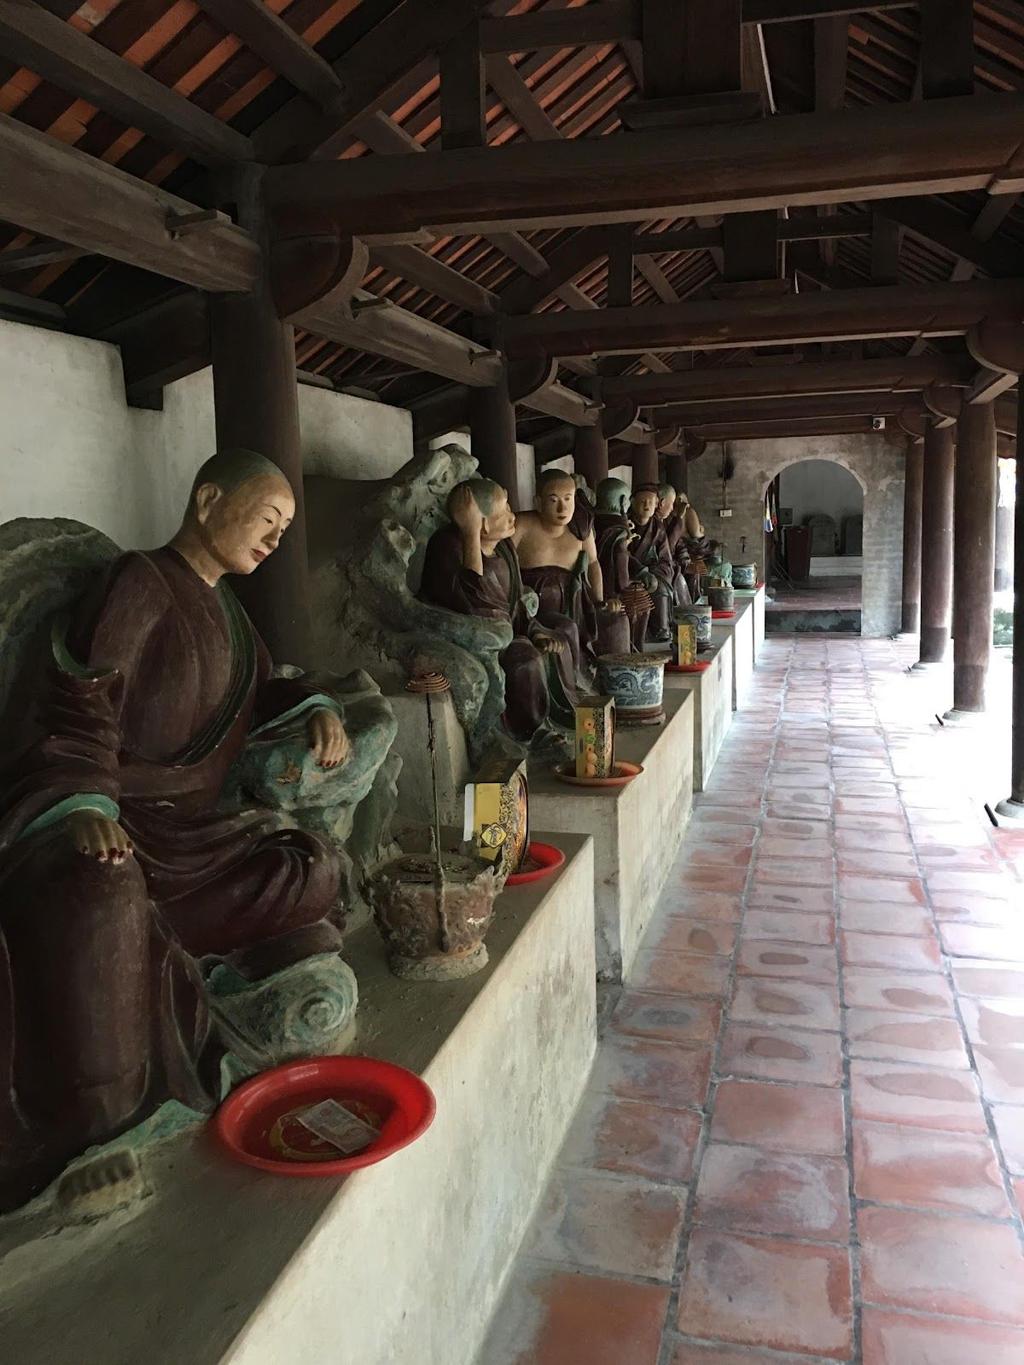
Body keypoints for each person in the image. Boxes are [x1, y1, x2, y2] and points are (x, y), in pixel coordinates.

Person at [0, 449, 350, 1212]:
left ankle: (220, 965)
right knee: (105, 893)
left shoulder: (229, 611)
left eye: (285, 529)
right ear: (208, 498)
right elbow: (81, 699)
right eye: (267, 518)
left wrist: (314, 704)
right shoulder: (140, 582)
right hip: (114, 820)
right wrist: (87, 802)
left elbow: (264, 693)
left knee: (313, 861)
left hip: (198, 840)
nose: (275, 540)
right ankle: (99, 1127)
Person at [418, 477, 579, 740]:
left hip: (507, 630)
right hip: (476, 638)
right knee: (526, 661)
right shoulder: (448, 546)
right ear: (478, 522)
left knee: (559, 638)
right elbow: (473, 605)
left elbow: (514, 604)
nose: (511, 516)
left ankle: (562, 712)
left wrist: (535, 630)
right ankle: (531, 733)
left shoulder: (504, 547)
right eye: (502, 511)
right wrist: (470, 534)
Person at [512, 468, 603, 665]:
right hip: (530, 608)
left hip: (573, 603)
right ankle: (575, 686)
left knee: (614, 621)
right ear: (538, 502)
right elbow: (503, 562)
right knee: (566, 628)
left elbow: (593, 563)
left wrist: (599, 600)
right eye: (553, 501)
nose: (562, 509)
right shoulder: (522, 525)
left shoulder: (581, 529)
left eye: (568, 499)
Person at [629, 484, 676, 642]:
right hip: (629, 573)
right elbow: (619, 555)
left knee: (660, 586)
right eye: (642, 501)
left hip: (653, 574)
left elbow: (666, 559)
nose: (646, 505)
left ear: (657, 504)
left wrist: (653, 573)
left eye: (651, 501)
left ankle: (660, 630)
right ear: (632, 502)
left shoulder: (658, 528)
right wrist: (640, 570)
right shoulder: (624, 523)